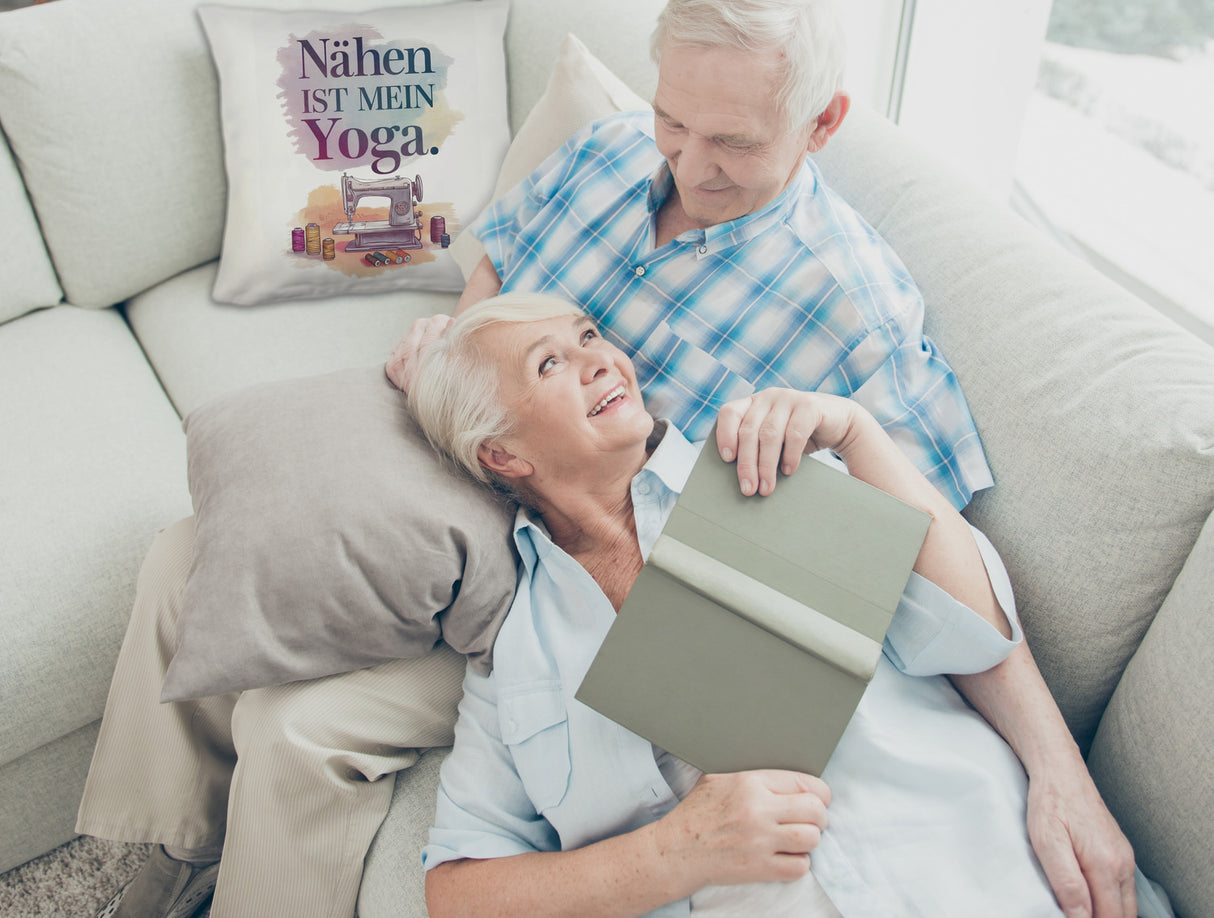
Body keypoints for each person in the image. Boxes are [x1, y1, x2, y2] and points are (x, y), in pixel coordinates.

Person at [79, 0, 1131, 918]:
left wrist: (1057, 767)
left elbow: (927, 559)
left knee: (300, 728)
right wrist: (457, 349)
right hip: (487, 450)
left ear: (820, 124)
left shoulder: (853, 311)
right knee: (192, 551)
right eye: (674, 119)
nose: (687, 161)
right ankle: (159, 854)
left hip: (579, 557)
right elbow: (499, 267)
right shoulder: (608, 151)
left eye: (732, 142)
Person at [407, 292, 1162, 918]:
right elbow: (458, 891)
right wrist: (672, 854)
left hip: (985, 871)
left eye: (589, 336)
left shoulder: (763, 466)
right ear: (502, 454)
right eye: (551, 363)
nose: (601, 358)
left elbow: (972, 633)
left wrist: (859, 435)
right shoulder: (516, 655)